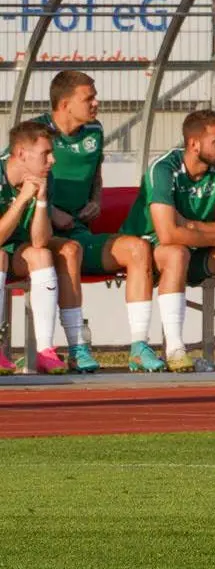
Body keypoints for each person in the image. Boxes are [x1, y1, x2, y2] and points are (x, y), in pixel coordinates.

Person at [4, 71, 165, 373]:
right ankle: (77, 347)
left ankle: (140, 347)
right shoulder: (36, 135)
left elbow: (96, 170)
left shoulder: (94, 130)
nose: (96, 103)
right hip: (39, 234)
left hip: (78, 232)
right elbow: (14, 175)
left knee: (139, 250)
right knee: (67, 251)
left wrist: (96, 199)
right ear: (64, 104)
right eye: (88, 98)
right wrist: (50, 212)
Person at [119, 111, 215, 373]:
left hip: (196, 250)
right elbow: (166, 234)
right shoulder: (163, 168)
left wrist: (189, 225)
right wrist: (211, 233)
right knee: (176, 252)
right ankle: (175, 349)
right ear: (194, 144)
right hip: (151, 252)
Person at [0, 122, 69, 374]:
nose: (52, 160)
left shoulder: (43, 179)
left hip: (14, 252)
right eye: (45, 154)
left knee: (42, 254)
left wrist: (40, 201)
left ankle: (45, 351)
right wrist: (21, 199)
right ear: (20, 154)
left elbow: (40, 240)